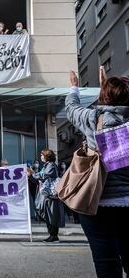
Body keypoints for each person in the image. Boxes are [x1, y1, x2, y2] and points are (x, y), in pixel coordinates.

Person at [66, 67, 129, 277]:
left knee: (106, 263)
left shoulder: (93, 119)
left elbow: (72, 108)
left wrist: (74, 87)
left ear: (103, 97)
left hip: (98, 203)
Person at [27, 149, 65, 242]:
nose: (41, 157)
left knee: (51, 214)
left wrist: (32, 173)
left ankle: (53, 236)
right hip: (47, 195)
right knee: (48, 214)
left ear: (46, 156)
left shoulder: (50, 165)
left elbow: (44, 176)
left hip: (51, 195)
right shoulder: (47, 165)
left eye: (42, 155)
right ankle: (52, 235)